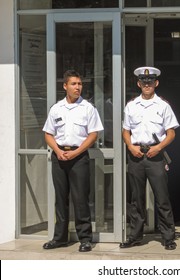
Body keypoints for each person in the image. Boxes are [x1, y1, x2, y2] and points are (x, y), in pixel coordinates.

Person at [42, 70, 104, 252]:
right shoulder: (56, 108)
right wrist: (58, 150)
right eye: (74, 84)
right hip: (59, 156)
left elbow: (93, 134)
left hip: (79, 157)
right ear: (65, 86)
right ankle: (59, 238)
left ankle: (85, 239)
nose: (78, 87)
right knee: (60, 199)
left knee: (80, 199)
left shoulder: (88, 108)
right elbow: (48, 134)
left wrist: (77, 152)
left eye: (80, 84)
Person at [120, 66, 179, 250]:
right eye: (144, 82)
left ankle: (168, 237)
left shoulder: (163, 106)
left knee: (162, 198)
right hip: (136, 155)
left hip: (156, 156)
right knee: (136, 199)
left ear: (156, 83)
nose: (147, 85)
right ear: (139, 84)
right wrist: (130, 146)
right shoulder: (131, 105)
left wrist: (159, 147)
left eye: (150, 82)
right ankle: (135, 236)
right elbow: (125, 131)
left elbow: (171, 133)